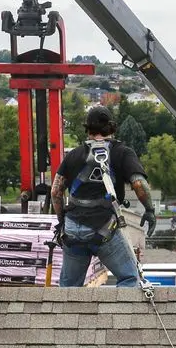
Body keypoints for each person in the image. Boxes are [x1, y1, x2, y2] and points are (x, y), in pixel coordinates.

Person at [51, 105, 157, 287]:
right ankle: (119, 315)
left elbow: (55, 192)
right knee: (129, 278)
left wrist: (62, 221)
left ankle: (65, 315)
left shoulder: (74, 155)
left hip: (73, 231)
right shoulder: (122, 152)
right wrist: (149, 209)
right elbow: (139, 184)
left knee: (68, 290)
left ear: (87, 129)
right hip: (104, 229)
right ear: (112, 127)